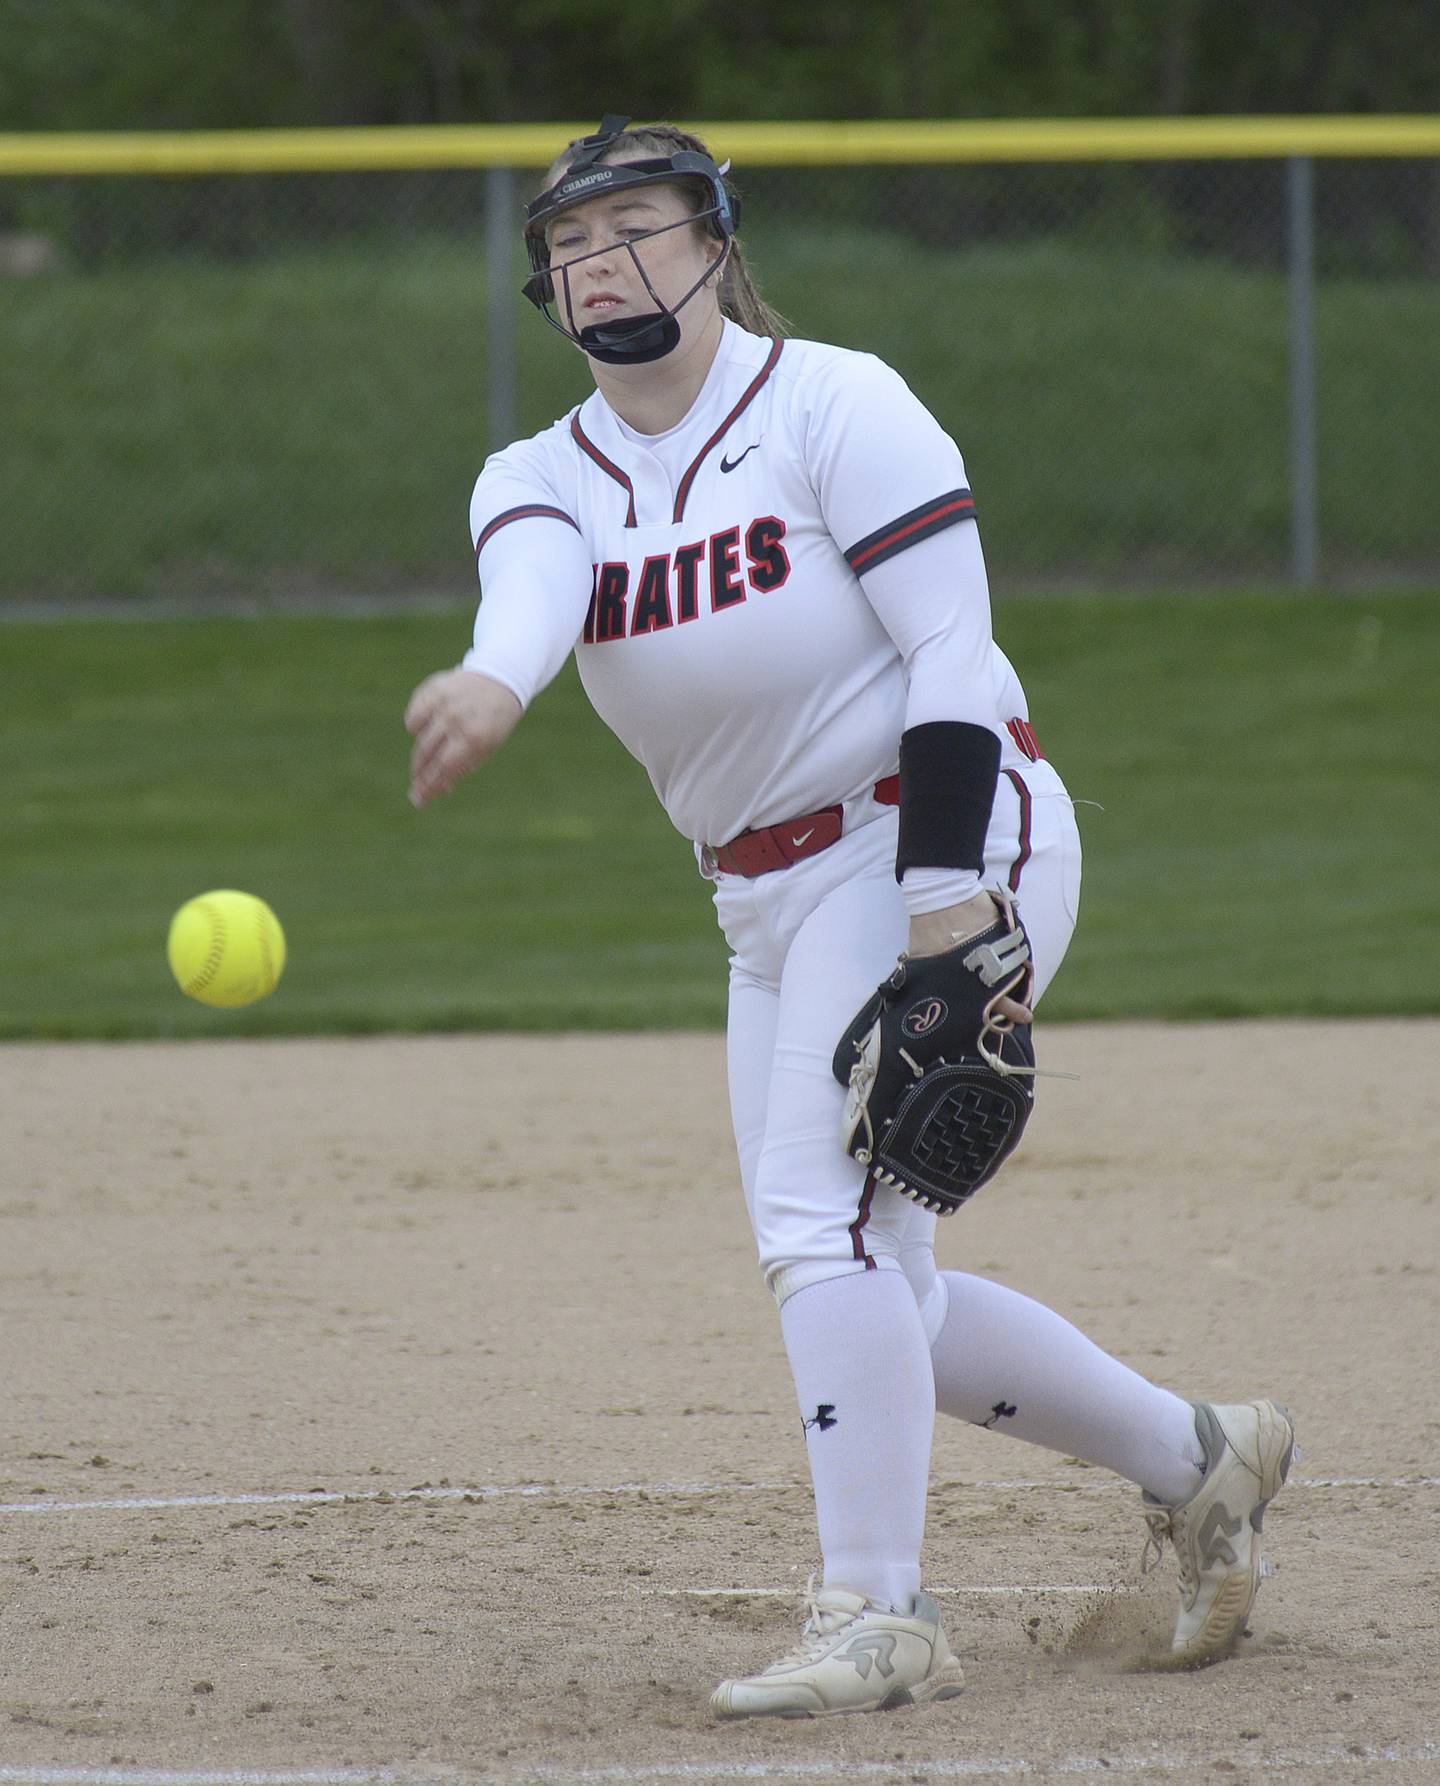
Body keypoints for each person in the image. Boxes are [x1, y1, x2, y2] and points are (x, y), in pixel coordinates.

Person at [404, 115, 1295, 1720]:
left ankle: (880, 1613)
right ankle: (1202, 1455)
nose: (602, 262)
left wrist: (950, 905)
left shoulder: (833, 402)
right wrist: (488, 678)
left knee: (827, 1229)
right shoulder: (539, 476)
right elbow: (531, 596)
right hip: (765, 890)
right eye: (572, 245)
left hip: (937, 830)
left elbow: (950, 649)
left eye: (639, 229)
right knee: (873, 1271)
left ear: (717, 242)